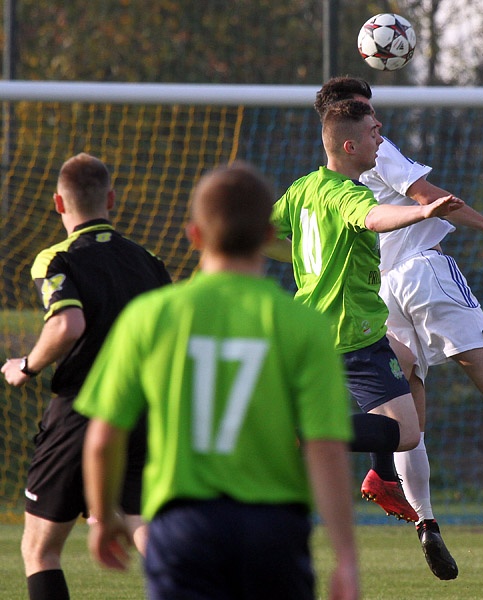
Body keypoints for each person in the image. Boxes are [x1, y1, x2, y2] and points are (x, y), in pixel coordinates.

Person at [314, 77, 483, 580]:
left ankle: (426, 521)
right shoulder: (379, 150)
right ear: (352, 122)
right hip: (423, 271)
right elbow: (428, 194)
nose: (380, 126)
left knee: (407, 409)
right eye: (371, 115)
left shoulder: (321, 182)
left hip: (379, 294)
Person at [74, 162, 360, 600]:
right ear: (269, 236)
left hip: (184, 526)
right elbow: (325, 448)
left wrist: (103, 515)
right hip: (273, 530)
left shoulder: (151, 316)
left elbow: (102, 438)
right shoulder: (304, 326)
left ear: (194, 236)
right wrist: (345, 558)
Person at [267, 99, 464, 529]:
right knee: (407, 434)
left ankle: (383, 476)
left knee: (408, 360)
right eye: (374, 132)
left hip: (314, 324)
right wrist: (423, 211)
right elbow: (374, 218)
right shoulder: (349, 194)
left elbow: (264, 234)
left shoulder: (303, 188)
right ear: (351, 145)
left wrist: (299, 254)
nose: (381, 137)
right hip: (351, 330)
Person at [1, 153, 172, 600]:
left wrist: (27, 366)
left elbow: (66, 324)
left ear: (59, 202)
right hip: (140, 412)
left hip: (80, 412)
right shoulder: (148, 261)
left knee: (40, 550)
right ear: (111, 199)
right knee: (150, 539)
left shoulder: (55, 259)